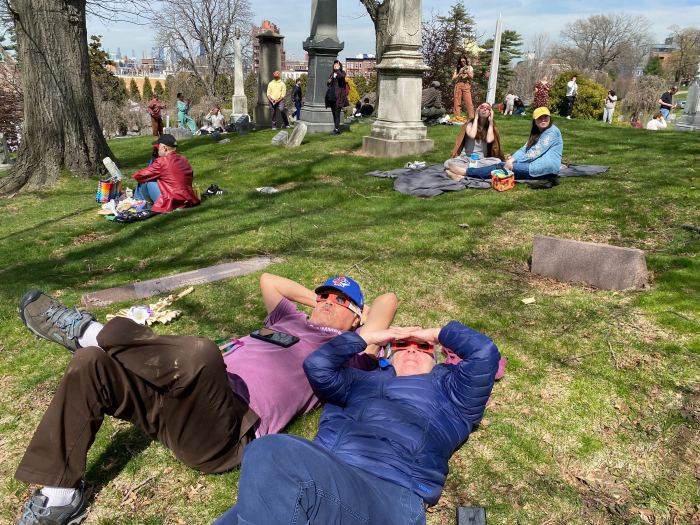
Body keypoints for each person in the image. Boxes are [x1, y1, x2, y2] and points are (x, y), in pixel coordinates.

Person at [14, 273, 397, 525]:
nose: (329, 301)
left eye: (340, 301)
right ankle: (60, 494)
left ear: (358, 318)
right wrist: (318, 301)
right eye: (324, 295)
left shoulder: (349, 351)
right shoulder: (286, 320)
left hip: (228, 432)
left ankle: (90, 330)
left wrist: (356, 317)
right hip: (177, 397)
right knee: (90, 363)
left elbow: (388, 300)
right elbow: (269, 280)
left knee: (199, 352)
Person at [213, 321, 501, 525]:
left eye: (422, 347)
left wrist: (436, 333)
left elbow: (484, 353)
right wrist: (370, 337)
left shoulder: (453, 394)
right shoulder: (358, 382)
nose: (412, 349)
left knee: (270, 453)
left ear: (437, 358)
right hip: (326, 477)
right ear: (390, 354)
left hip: (392, 495)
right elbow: (318, 365)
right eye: (403, 345)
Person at [459, 106, 563, 181]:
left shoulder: (552, 131)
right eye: (540, 117)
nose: (543, 119)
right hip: (534, 166)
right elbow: (524, 149)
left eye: (546, 117)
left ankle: (466, 172)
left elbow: (535, 152)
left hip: (545, 169)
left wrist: (513, 163)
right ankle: (466, 174)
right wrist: (513, 158)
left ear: (550, 118)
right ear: (535, 120)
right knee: (503, 167)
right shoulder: (538, 132)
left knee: (500, 166)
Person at [130, 134, 199, 213]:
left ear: (165, 148)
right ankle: (138, 201)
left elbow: (141, 175)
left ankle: (137, 203)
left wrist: (134, 175)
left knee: (145, 181)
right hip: (187, 199)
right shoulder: (183, 159)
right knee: (152, 179)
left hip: (171, 201)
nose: (157, 149)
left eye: (158, 147)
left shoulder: (162, 161)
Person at [445, 102, 504, 181]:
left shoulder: (490, 127)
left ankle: (458, 172)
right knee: (448, 163)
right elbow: (472, 135)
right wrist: (476, 118)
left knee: (497, 161)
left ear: (490, 112)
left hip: (480, 160)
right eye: (482, 107)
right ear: (478, 110)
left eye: (488, 108)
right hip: (465, 158)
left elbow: (489, 140)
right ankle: (472, 171)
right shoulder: (469, 124)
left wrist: (491, 122)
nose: (484, 109)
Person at [326, 60, 349, 135]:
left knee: (337, 113)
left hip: (339, 97)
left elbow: (341, 76)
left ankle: (337, 129)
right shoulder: (332, 74)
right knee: (334, 113)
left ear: (339, 66)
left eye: (337, 65)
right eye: (334, 65)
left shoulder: (342, 72)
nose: (335, 66)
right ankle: (336, 128)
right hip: (332, 96)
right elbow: (328, 83)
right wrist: (329, 81)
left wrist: (338, 70)